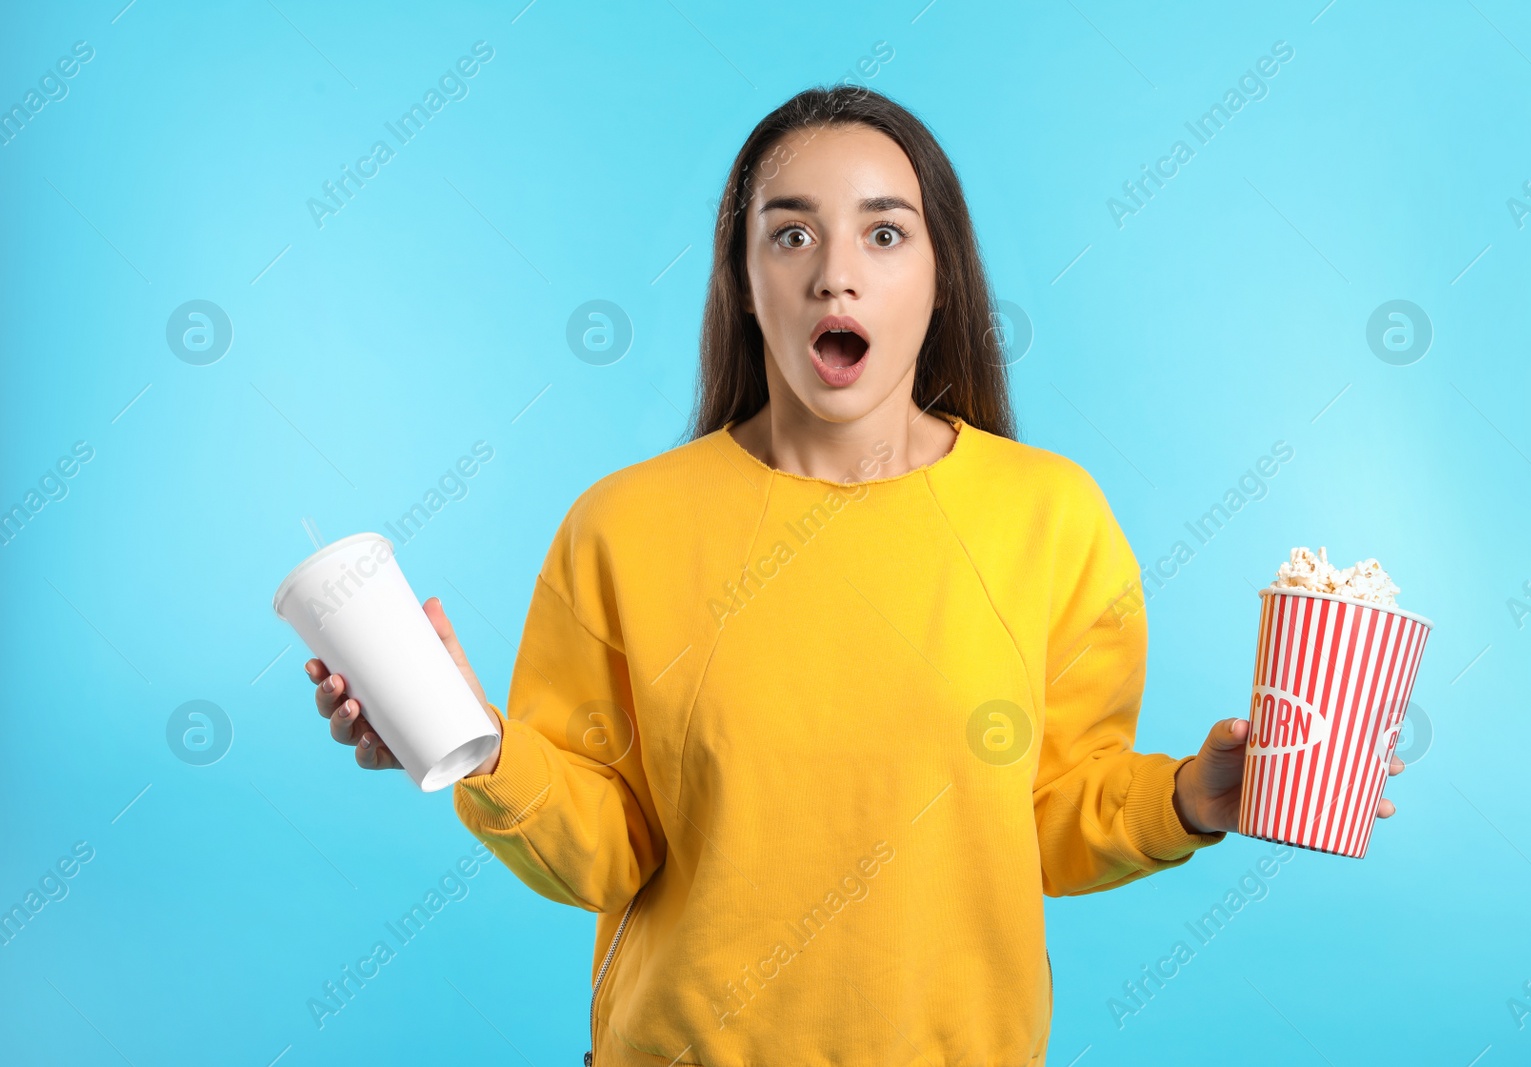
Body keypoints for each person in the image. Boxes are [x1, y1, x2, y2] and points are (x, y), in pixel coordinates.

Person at [305, 84, 1404, 1065]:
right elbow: (603, 855)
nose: (836, 272)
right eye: (789, 237)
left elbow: (1048, 815)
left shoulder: (1051, 518)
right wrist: (482, 745)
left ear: (939, 279)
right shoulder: (620, 529)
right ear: (744, 283)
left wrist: (1185, 797)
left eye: (885, 233)